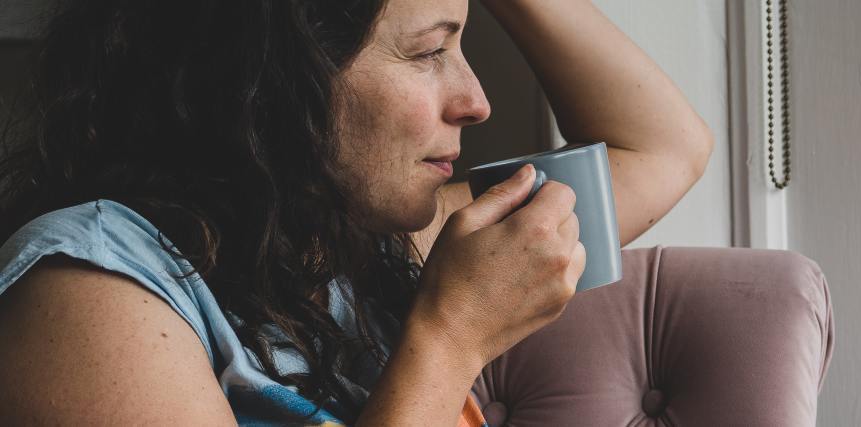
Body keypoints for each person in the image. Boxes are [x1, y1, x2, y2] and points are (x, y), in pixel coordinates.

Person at [0, 0, 713, 424]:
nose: (476, 100)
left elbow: (663, 149)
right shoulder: (87, 297)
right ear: (273, 78)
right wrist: (449, 339)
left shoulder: (336, 247)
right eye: (430, 51)